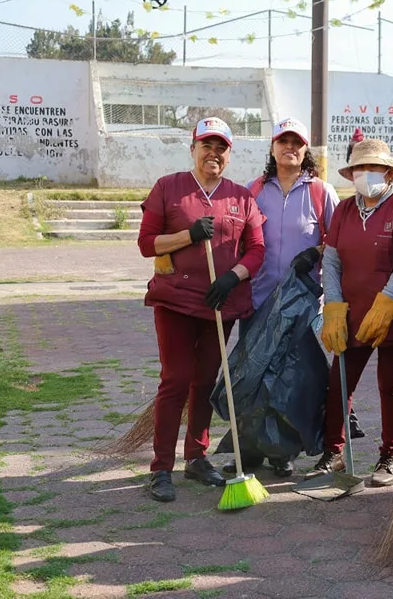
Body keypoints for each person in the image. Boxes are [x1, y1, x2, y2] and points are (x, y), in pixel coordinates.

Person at [137, 117, 266, 502]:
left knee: (206, 381)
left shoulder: (241, 196)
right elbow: (147, 243)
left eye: (221, 147)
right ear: (192, 148)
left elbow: (257, 249)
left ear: (229, 154)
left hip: (218, 307)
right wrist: (188, 236)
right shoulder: (169, 188)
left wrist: (233, 277)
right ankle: (161, 468)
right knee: (175, 379)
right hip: (175, 302)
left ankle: (196, 456)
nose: (213, 153)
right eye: (206, 145)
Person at [220, 117, 339, 478]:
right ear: (272, 147)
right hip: (256, 300)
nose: (290, 147)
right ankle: (250, 452)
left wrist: (316, 251)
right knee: (252, 377)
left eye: (296, 142)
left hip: (301, 304)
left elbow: (337, 241)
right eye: (282, 141)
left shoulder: (321, 192)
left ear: (306, 150)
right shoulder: (252, 191)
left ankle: (283, 452)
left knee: (291, 378)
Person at [306, 139, 393, 487]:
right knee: (338, 383)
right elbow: (331, 259)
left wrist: (388, 301)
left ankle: (390, 456)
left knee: (391, 385)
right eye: (360, 168)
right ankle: (334, 453)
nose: (366, 175)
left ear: (389, 173)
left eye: (373, 168)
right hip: (352, 314)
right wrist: (333, 306)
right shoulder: (344, 210)